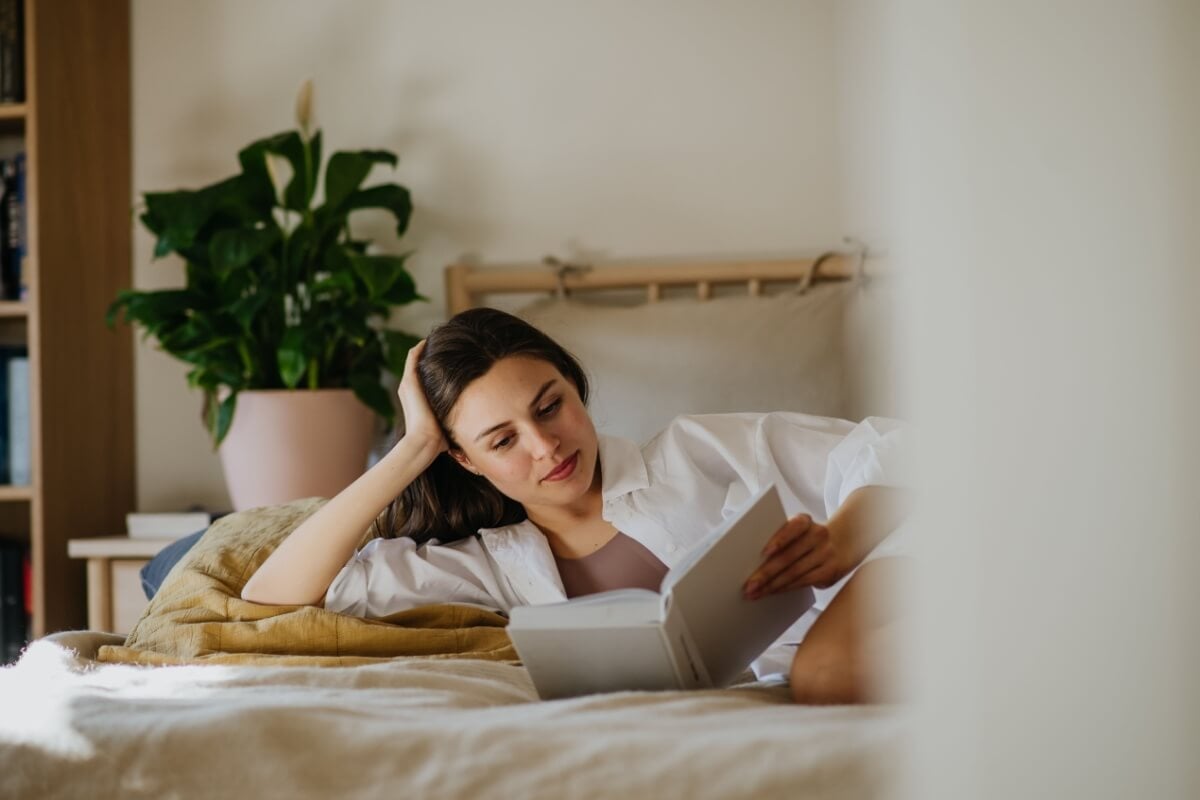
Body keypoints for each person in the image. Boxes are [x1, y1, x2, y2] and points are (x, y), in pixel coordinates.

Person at [241, 307, 912, 703]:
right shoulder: (491, 567)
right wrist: (413, 447)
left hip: (900, 565)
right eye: (503, 440)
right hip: (850, 656)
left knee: (826, 675)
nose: (546, 446)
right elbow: (277, 595)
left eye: (550, 405)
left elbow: (905, 447)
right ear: (464, 459)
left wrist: (846, 533)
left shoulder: (694, 450)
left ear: (573, 384)